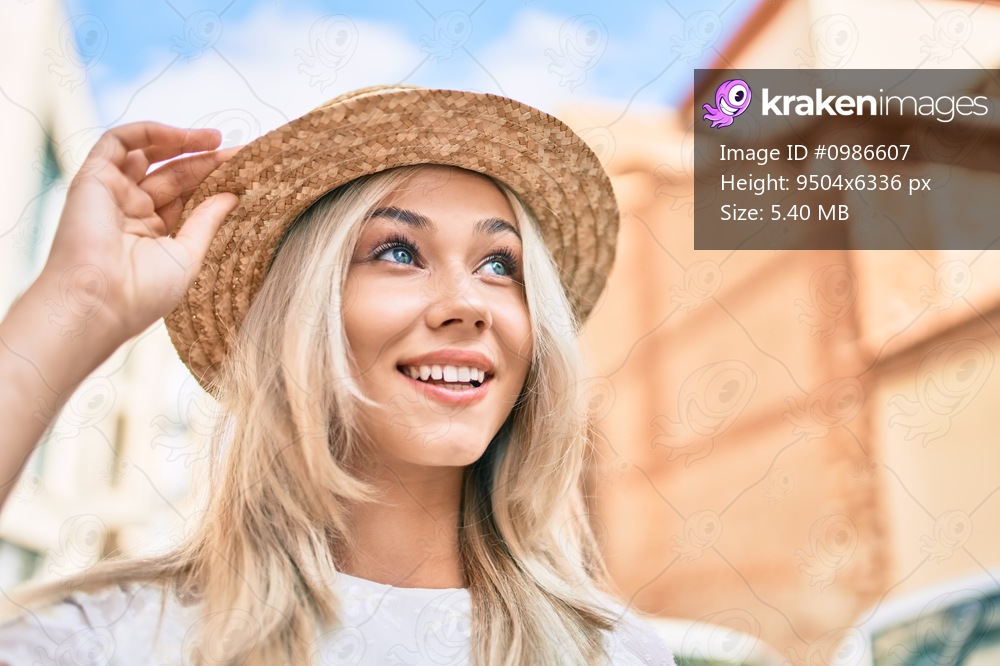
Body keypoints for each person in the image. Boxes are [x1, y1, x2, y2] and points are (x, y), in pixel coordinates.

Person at [0, 86, 675, 665]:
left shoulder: (616, 653)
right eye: (398, 251)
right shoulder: (113, 637)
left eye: (501, 264)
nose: (469, 304)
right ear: (304, 313)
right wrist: (79, 303)